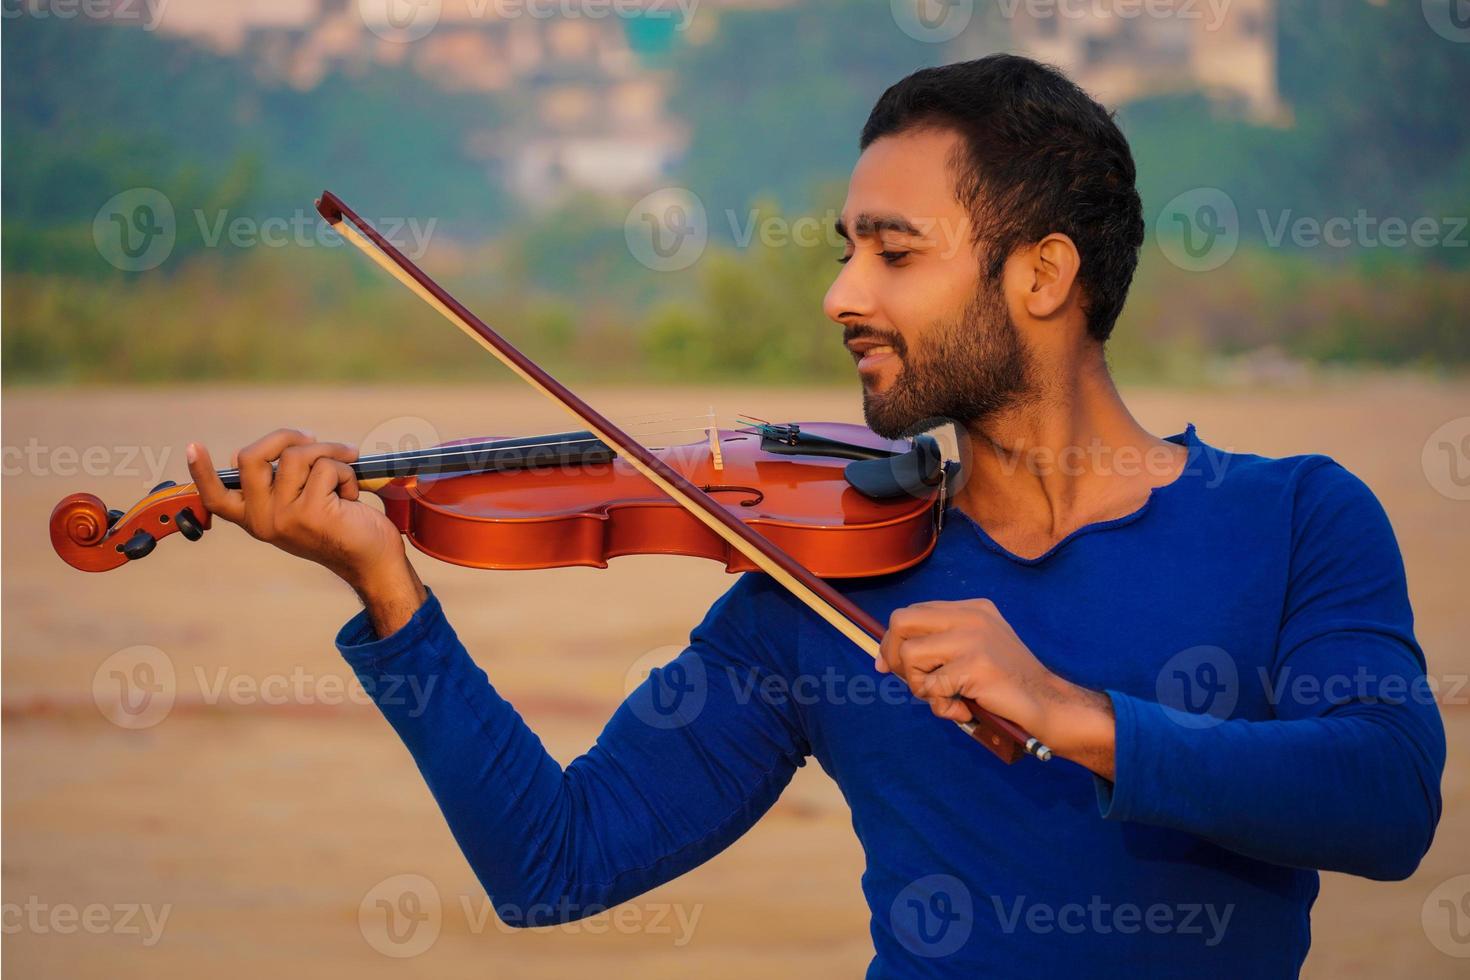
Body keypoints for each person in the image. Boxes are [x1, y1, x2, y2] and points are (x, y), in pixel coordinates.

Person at [185, 55, 1444, 976]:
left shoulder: (1297, 518)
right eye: (843, 249)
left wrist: (1075, 713)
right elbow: (552, 861)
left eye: (894, 252)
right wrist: (389, 594)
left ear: (1045, 273)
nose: (842, 291)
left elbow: (1388, 799)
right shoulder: (814, 588)